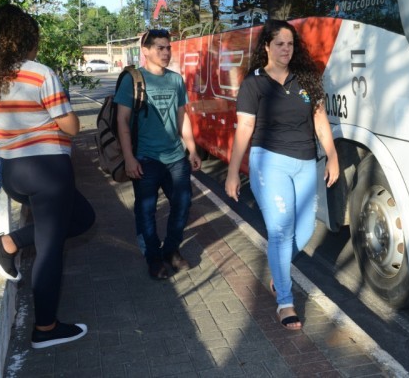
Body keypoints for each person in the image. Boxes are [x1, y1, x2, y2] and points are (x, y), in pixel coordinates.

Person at [0, 4, 96, 349]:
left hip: (12, 172)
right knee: (50, 249)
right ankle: (45, 328)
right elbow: (70, 126)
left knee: (83, 216)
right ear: (27, 38)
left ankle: (8, 243)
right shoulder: (40, 73)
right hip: (48, 172)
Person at [224, 20, 339, 330]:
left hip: (305, 162)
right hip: (269, 161)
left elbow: (320, 121)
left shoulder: (306, 79)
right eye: (279, 44)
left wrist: (332, 156)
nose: (285, 49)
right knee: (279, 232)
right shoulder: (254, 83)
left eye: (290, 44)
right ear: (266, 47)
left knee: (303, 232)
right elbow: (244, 128)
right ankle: (285, 302)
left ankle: (279, 274)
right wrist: (234, 172)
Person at [115, 28, 201, 280]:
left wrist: (192, 149)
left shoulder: (175, 80)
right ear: (145, 50)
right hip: (145, 158)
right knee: (146, 211)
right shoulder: (133, 80)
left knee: (183, 204)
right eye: (159, 48)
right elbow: (123, 120)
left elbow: (182, 116)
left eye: (168, 47)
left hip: (175, 157)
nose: (165, 52)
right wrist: (129, 157)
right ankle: (153, 258)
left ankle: (171, 249)